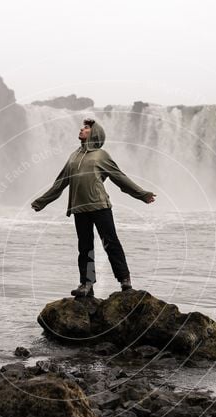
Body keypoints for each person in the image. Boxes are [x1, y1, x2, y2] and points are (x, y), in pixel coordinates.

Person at [31, 118, 156, 298]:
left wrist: (142, 194)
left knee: (110, 243)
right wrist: (42, 202)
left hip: (100, 206)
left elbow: (119, 177)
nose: (82, 129)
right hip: (79, 209)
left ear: (95, 133)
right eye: (83, 127)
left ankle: (124, 279)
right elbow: (60, 183)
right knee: (85, 247)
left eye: (87, 128)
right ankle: (87, 283)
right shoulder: (73, 156)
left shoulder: (101, 155)